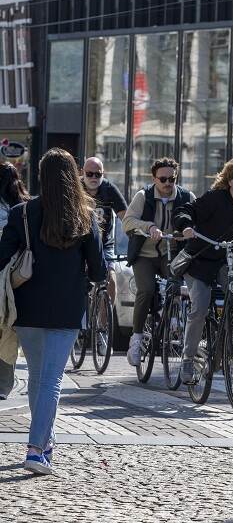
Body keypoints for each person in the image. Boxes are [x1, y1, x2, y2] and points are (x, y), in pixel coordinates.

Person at [0, 148, 106, 474]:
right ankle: (35, 449)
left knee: (37, 378)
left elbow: (2, 258)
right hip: (67, 309)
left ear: (41, 176)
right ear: (73, 175)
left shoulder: (21, 213)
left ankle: (44, 443)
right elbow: (99, 271)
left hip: (28, 309)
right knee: (50, 381)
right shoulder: (85, 214)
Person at [174, 157, 233, 384]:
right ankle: (187, 359)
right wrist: (186, 226)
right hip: (201, 261)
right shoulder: (215, 199)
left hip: (229, 262)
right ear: (228, 181)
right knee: (200, 307)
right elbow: (185, 211)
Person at [122, 158, 195, 366]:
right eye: (162, 179)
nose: (167, 183)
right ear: (154, 178)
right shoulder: (143, 196)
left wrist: (188, 232)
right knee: (145, 289)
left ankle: (171, 319)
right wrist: (149, 227)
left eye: (172, 178)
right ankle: (136, 339)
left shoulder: (186, 197)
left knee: (176, 283)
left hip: (169, 252)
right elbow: (127, 222)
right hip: (144, 254)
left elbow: (198, 220)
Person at [81, 157, 127, 307]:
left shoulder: (109, 189)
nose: (94, 177)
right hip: (79, 241)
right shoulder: (75, 187)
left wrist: (134, 236)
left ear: (103, 174)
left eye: (98, 174)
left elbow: (125, 216)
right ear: (82, 172)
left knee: (111, 280)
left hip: (104, 242)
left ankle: (103, 326)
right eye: (89, 174)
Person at [0, 162, 29, 400]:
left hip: (1, 272)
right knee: (10, 328)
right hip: (20, 276)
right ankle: (4, 385)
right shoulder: (25, 206)